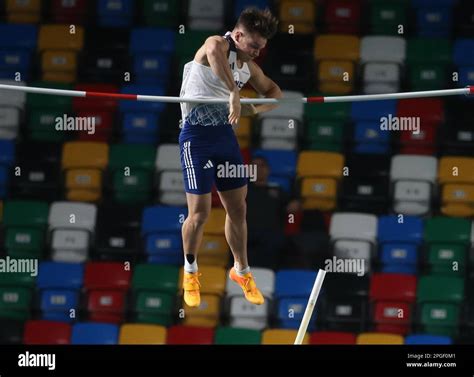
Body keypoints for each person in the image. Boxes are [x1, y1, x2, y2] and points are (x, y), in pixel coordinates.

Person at [178, 7, 281, 307]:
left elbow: (274, 92)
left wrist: (253, 109)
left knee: (238, 210)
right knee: (199, 214)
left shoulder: (248, 68)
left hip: (224, 139)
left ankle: (241, 271)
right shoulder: (217, 44)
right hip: (196, 139)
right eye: (253, 46)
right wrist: (233, 92)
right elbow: (212, 50)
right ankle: (190, 271)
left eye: (261, 49)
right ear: (238, 35)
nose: (257, 53)